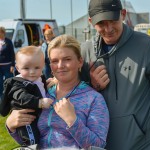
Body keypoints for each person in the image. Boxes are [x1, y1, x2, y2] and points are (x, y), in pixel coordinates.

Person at [6, 35, 109, 149]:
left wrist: (72, 120)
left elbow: (98, 145)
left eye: (67, 59)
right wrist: (11, 126)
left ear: (80, 61)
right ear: (50, 65)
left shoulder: (93, 99)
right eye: (55, 61)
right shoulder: (42, 94)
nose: (60, 66)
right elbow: (30, 140)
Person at [81, 0, 150, 150]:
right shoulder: (84, 51)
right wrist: (89, 85)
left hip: (140, 145)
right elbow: (69, 93)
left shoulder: (146, 46)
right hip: (97, 145)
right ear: (91, 22)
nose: (109, 28)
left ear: (123, 14)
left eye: (113, 20)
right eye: (101, 23)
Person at [0, 46, 53, 146]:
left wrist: (46, 83)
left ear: (43, 66)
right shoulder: (17, 83)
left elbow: (38, 88)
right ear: (17, 68)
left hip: (38, 116)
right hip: (26, 118)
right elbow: (22, 97)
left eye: (37, 67)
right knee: (32, 140)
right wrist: (40, 102)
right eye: (26, 68)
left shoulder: (39, 78)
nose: (32, 72)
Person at [0, 26, 15, 99]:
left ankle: (10, 96)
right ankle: (1, 98)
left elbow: (12, 53)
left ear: (3, 32)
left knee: (8, 82)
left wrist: (12, 65)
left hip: (7, 66)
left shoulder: (8, 41)